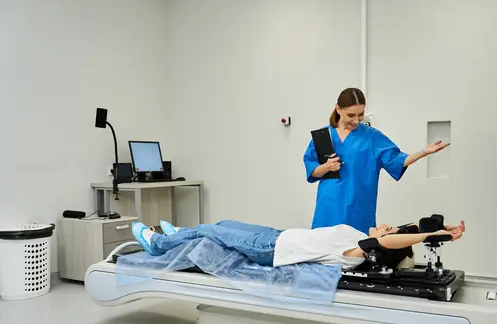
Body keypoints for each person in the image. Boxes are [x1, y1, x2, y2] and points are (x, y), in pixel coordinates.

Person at [303, 87, 450, 234]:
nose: (356, 120)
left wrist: (423, 152)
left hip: (358, 209)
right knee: (323, 250)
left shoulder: (372, 137)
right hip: (328, 208)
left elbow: (396, 160)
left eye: (360, 114)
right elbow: (312, 170)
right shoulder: (323, 137)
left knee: (358, 251)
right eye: (351, 115)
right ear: (338, 109)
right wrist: (326, 167)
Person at [131, 218, 465, 271]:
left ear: (381, 244)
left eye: (388, 230)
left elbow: (392, 240)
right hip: (276, 234)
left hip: (270, 249)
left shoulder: (354, 254)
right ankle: (181, 233)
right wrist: (432, 226)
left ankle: (159, 243)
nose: (386, 224)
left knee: (210, 230)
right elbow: (399, 233)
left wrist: (430, 238)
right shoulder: (356, 236)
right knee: (220, 225)